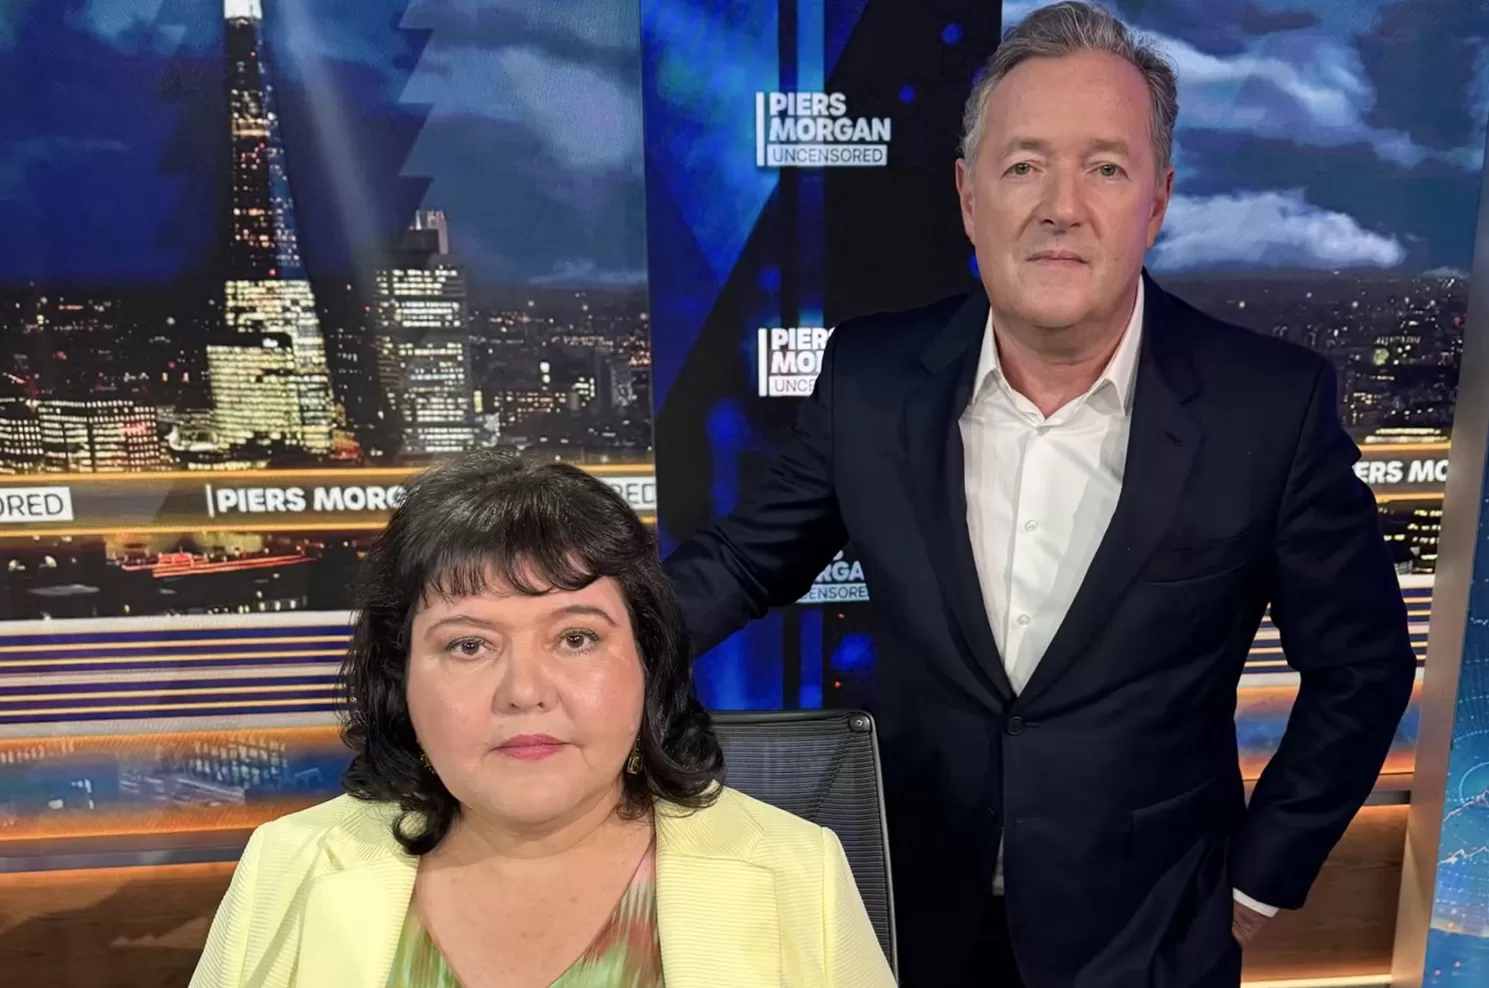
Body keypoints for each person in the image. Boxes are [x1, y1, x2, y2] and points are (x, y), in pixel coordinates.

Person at [662, 3, 1416, 986]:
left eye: (1104, 168)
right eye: (1023, 166)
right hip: (912, 913)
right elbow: (740, 563)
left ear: (1157, 201)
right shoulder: (869, 378)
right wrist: (575, 644)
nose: (1061, 206)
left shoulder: (1268, 406)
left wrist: (1260, 877)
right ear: (968, 197)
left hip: (1155, 932)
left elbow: (1361, 667)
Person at [189, 452, 894, 988]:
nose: (524, 692)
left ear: (646, 659)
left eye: (576, 638)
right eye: (468, 646)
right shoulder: (287, 864)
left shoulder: (797, 868)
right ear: (400, 679)